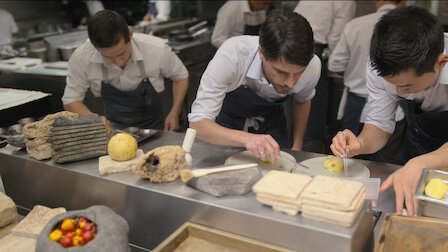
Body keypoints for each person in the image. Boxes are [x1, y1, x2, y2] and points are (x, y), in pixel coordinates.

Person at [331, 6, 448, 216]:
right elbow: (380, 123)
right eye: (393, 85)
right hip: (419, 143)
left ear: (440, 63)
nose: (400, 93)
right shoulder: (380, 68)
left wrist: (422, 163)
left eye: (408, 86)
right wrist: (361, 143)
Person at [189, 10, 321, 164]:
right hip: (227, 125)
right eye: (281, 72)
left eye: (299, 73)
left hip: (271, 123)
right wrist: (246, 139)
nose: (290, 83)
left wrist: (297, 146)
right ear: (261, 53)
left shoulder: (313, 66)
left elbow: (302, 101)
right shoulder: (232, 56)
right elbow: (198, 125)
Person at [62, 10, 189, 133]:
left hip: (155, 126)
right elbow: (70, 99)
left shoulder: (156, 49)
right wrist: (93, 120)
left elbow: (180, 76)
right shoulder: (82, 57)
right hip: (113, 129)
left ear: (130, 35)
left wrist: (175, 112)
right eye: (109, 57)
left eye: (122, 53)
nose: (119, 62)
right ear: (95, 48)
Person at [328, 0, 407, 164]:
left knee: (360, 164)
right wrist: (361, 144)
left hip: (357, 102)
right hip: (370, 108)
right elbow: (378, 124)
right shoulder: (377, 70)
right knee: (353, 160)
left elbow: (335, 63)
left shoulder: (355, 25)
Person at [294, 1, 356, 153]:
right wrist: (338, 64)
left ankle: (295, 149)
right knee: (314, 109)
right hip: (314, 49)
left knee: (295, 102)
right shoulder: (347, 2)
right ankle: (310, 155)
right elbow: (336, 38)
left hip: (292, 44)